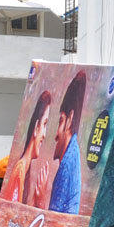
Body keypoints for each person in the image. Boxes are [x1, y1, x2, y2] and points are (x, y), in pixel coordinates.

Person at [47, 71, 87, 213]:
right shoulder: (72, 152)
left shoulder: (67, 163)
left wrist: (38, 200)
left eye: (60, 121)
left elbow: (54, 217)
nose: (56, 135)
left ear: (70, 119)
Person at [4, 92, 52, 207]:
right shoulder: (20, 170)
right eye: (44, 124)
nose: (44, 134)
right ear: (36, 128)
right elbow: (12, 215)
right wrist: (39, 201)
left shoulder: (24, 170)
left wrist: (38, 197)